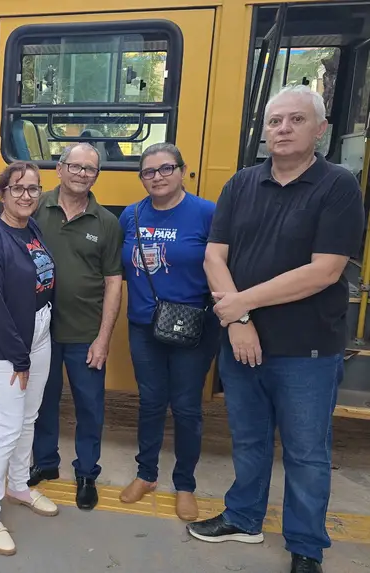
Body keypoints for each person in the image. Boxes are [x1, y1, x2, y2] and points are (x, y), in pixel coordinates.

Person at [189, 85, 364, 573]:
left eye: (296, 120)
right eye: (274, 122)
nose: (283, 129)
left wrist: (239, 303)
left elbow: (325, 270)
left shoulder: (338, 187)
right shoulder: (241, 184)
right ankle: (244, 518)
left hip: (306, 350)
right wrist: (240, 321)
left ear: (320, 130)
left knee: (307, 453)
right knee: (248, 439)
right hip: (242, 346)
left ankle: (306, 546)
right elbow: (213, 255)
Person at [116, 143, 219, 521]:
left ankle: (185, 484)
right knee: (151, 401)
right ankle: (146, 475)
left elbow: (224, 265)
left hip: (193, 328)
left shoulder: (207, 213)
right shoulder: (131, 215)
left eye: (165, 169)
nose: (157, 177)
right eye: (149, 172)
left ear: (182, 170)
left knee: (188, 407)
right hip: (145, 325)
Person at [28, 143, 123, 510]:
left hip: (85, 334)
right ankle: (45, 463)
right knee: (40, 403)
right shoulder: (35, 205)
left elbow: (113, 281)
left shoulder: (106, 222)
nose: (82, 174)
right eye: (76, 166)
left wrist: (103, 338)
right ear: (60, 169)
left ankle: (86, 472)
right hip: (39, 330)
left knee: (90, 406)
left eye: (90, 170)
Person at [0, 161, 59, 556]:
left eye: (34, 189)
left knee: (29, 418)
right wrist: (19, 358)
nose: (27, 196)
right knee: (7, 427)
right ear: (2, 192)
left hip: (38, 336)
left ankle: (19, 484)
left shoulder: (31, 228)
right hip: (9, 348)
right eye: (18, 188)